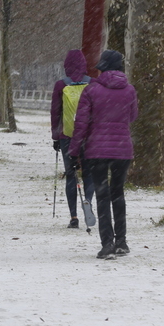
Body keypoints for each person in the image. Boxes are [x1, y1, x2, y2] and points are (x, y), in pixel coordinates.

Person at [69, 49, 138, 260]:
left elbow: (81, 124)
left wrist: (74, 151)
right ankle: (122, 242)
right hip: (122, 149)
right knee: (118, 194)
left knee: (102, 195)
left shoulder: (91, 90)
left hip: (97, 150)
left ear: (103, 68)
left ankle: (107, 243)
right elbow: (133, 116)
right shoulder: (130, 90)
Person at [50, 49, 95, 228]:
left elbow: (55, 112)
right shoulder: (93, 84)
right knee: (89, 173)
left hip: (66, 135)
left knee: (71, 175)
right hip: (89, 136)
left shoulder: (61, 85)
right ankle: (88, 202)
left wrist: (55, 136)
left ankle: (73, 217)